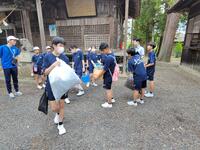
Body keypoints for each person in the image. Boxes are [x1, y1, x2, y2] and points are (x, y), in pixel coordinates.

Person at [43, 37, 69, 135]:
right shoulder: (47, 57)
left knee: (61, 106)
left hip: (62, 85)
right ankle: (57, 114)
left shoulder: (65, 58)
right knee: (54, 108)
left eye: (63, 46)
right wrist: (53, 65)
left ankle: (61, 125)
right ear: (54, 46)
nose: (62, 48)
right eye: (60, 45)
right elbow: (45, 73)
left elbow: (68, 72)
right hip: (51, 85)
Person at [94, 43, 116, 108]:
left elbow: (104, 70)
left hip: (108, 75)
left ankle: (109, 104)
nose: (102, 52)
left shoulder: (108, 58)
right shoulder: (112, 55)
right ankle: (111, 99)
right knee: (110, 88)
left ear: (106, 49)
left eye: (103, 51)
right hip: (110, 74)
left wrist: (97, 76)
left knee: (107, 89)